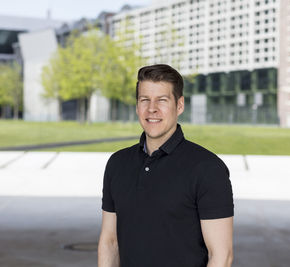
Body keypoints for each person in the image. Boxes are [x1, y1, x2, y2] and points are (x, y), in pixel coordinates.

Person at [98, 64, 234, 267]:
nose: (152, 108)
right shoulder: (117, 164)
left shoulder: (208, 169)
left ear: (179, 106)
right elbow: (110, 243)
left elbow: (222, 256)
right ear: (137, 106)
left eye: (162, 100)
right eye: (145, 100)